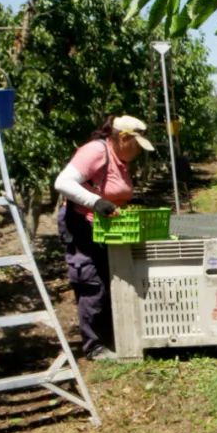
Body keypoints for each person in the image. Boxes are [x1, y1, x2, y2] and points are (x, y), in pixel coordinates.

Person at [54, 115, 155, 360]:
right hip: (82, 225)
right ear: (123, 138)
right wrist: (96, 202)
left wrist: (129, 201)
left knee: (111, 277)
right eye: (136, 145)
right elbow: (63, 182)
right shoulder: (96, 151)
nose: (138, 152)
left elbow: (111, 187)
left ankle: (112, 334)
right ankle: (94, 346)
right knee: (92, 281)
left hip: (104, 226)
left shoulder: (119, 158)